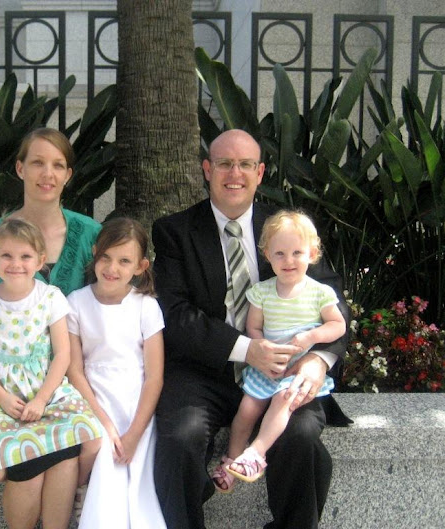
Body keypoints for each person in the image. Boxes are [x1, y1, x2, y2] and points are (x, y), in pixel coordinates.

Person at [151, 129, 350, 529]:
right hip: (205, 371)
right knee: (178, 440)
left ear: (259, 173)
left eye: (245, 164)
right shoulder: (174, 231)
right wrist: (247, 349)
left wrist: (318, 360)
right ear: (207, 170)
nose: (234, 173)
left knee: (302, 438)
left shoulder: (287, 228)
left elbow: (333, 300)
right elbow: (175, 313)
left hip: (285, 371)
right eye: (224, 163)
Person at [0, 127, 101, 462]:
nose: (47, 173)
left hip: (80, 381)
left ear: (68, 175)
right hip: (8, 394)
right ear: (20, 168)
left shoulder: (90, 234)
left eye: (57, 165)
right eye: (38, 162)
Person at [0, 218, 102, 529]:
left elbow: (62, 354)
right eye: (6, 256)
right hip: (3, 392)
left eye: (25, 256)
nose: (16, 264)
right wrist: (1, 397)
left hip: (46, 390)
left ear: (40, 261)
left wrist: (42, 398)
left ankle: (80, 491)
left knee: (89, 432)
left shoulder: (51, 297)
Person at [212, 210, 345, 491]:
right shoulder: (261, 292)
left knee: (284, 400)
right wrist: (263, 347)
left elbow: (338, 325)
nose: (288, 261)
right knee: (247, 410)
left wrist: (312, 337)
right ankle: (232, 462)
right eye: (280, 254)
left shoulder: (319, 292)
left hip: (298, 371)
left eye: (297, 253)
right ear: (267, 255)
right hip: (268, 366)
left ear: (312, 254)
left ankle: (256, 454)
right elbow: (254, 327)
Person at [66, 218, 166, 529]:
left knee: (136, 475)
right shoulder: (76, 303)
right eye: (106, 257)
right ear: (95, 253)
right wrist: (105, 422)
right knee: (102, 451)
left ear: (140, 266)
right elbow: (74, 370)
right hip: (93, 399)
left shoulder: (146, 307)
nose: (112, 268)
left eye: (124, 261)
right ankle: (82, 494)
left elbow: (154, 376)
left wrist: (134, 432)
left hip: (137, 405)